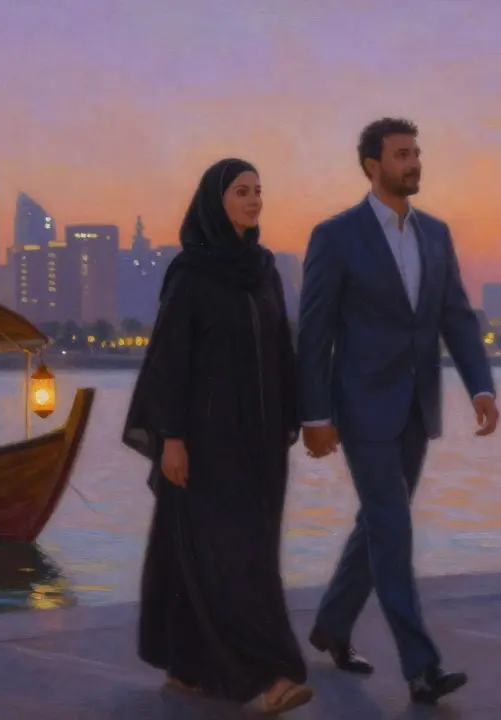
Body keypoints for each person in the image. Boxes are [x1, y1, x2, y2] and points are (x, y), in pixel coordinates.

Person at [296, 118, 500, 707]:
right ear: (371, 165)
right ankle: (420, 666)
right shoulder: (336, 237)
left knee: (380, 523)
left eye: (416, 153)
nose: (414, 163)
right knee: (392, 524)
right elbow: (314, 333)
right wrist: (314, 416)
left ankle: (333, 624)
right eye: (401, 154)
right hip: (359, 407)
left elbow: (456, 316)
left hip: (418, 405)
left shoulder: (436, 234)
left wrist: (480, 388)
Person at [122, 158, 313, 715]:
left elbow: (282, 347)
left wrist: (296, 418)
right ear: (215, 201)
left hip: (260, 443)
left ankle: (187, 663)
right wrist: (171, 437)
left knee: (228, 551)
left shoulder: (264, 269)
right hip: (206, 442)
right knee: (236, 559)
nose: (254, 200)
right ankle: (270, 676)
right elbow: (170, 359)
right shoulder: (191, 273)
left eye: (259, 191)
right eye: (241, 191)